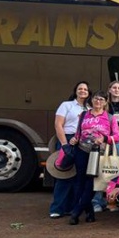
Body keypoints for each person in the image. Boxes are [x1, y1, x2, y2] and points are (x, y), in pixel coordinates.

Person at [68, 90, 119, 225]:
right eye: (96, 99)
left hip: (98, 153)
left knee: (91, 183)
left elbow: (117, 137)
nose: (98, 102)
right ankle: (90, 213)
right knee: (80, 181)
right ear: (92, 100)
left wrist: (104, 138)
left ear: (105, 102)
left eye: (102, 100)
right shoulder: (84, 114)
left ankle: (76, 211)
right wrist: (75, 139)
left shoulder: (110, 118)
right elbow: (79, 132)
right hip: (81, 150)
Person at [49, 81, 90, 218]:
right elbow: (58, 125)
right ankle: (57, 208)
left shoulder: (89, 109)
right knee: (63, 174)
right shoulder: (66, 105)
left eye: (85, 89)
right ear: (75, 91)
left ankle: (72, 207)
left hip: (82, 142)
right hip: (67, 139)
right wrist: (64, 144)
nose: (83, 91)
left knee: (78, 176)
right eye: (80, 88)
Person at [92, 80, 119, 212]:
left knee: (114, 168)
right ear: (109, 90)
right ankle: (97, 201)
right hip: (103, 138)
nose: (116, 90)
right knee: (101, 167)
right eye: (114, 88)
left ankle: (111, 201)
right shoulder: (104, 102)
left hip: (118, 138)